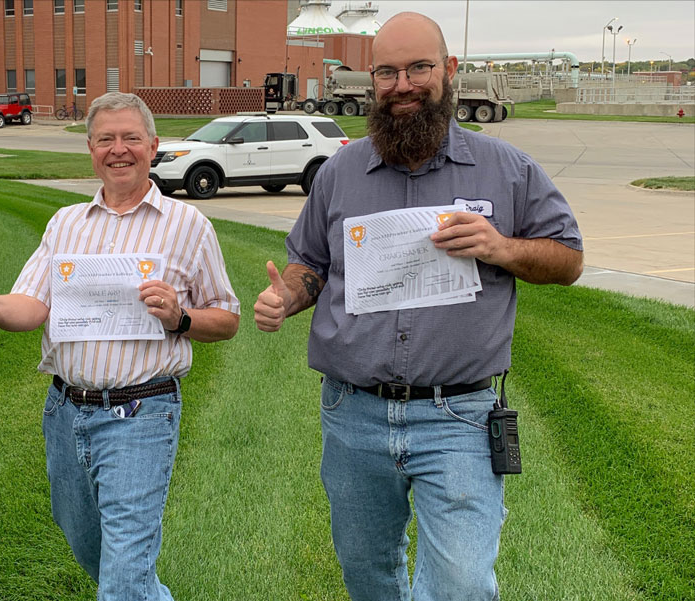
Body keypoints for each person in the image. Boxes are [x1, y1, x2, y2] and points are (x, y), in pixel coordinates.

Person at [254, 12, 583, 601]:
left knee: (460, 584)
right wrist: (287, 296)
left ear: (449, 71)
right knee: (368, 575)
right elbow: (311, 264)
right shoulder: (338, 173)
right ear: (372, 80)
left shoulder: (507, 169)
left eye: (419, 68)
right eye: (387, 71)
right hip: (353, 416)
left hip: (457, 416)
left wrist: (500, 247)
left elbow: (568, 259)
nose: (402, 84)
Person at [0, 91, 240, 601]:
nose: (118, 149)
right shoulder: (66, 224)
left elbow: (228, 318)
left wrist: (181, 316)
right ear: (90, 148)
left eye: (130, 138)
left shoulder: (188, 226)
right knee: (95, 550)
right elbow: (32, 306)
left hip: (142, 413)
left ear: (153, 146)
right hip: (66, 411)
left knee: (123, 572)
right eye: (106, 139)